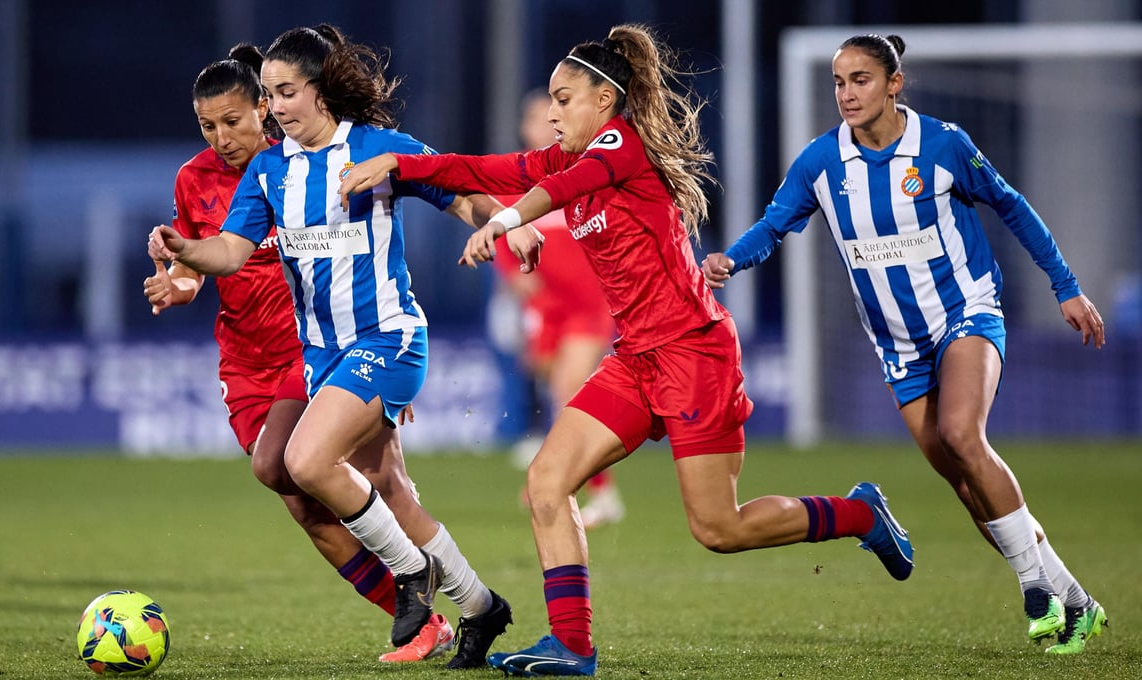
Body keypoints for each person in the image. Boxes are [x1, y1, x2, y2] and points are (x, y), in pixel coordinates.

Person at [339, 23, 914, 676]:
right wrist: (404, 166)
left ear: (604, 101)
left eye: (564, 100)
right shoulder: (573, 158)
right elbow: (487, 169)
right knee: (547, 481)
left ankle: (859, 513)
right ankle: (572, 647)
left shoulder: (619, 143)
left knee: (718, 529)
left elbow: (550, 192)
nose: (553, 114)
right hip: (637, 358)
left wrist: (502, 221)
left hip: (694, 353)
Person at [701, 34, 1108, 655]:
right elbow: (774, 224)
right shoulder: (822, 161)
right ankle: (1076, 600)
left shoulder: (942, 145)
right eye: (839, 82)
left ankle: (1035, 590)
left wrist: (1067, 287)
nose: (846, 94)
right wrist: (732, 259)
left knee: (963, 435)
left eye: (860, 79)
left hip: (966, 313)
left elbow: (1012, 206)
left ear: (894, 83)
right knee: (966, 483)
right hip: (898, 345)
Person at [146, 25, 512, 669]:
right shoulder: (269, 171)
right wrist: (185, 252)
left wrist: (509, 223)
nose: (276, 107)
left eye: (286, 93)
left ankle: (411, 575)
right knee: (388, 492)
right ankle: (482, 607)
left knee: (304, 461)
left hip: (387, 338)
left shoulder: (375, 147)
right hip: (322, 357)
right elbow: (228, 252)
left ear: (320, 89)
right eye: (271, 94)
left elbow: (457, 191)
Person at [494, 88, 623, 528]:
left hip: (588, 305)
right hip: (546, 309)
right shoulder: (517, 181)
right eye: (537, 118)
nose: (547, 124)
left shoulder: (584, 170)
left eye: (552, 115)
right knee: (559, 393)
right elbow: (504, 239)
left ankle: (569, 482)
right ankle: (584, 484)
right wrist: (517, 282)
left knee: (571, 390)